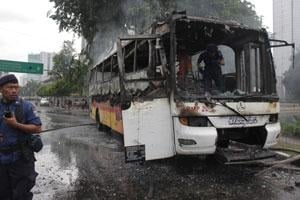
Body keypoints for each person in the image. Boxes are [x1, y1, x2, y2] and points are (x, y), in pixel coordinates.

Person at [0, 74, 42, 200]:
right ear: (1, 89)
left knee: (21, 195)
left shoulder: (26, 106)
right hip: (1, 160)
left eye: (16, 87)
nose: (14, 90)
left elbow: (37, 128)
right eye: (10, 87)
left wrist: (16, 124)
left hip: (21, 159)